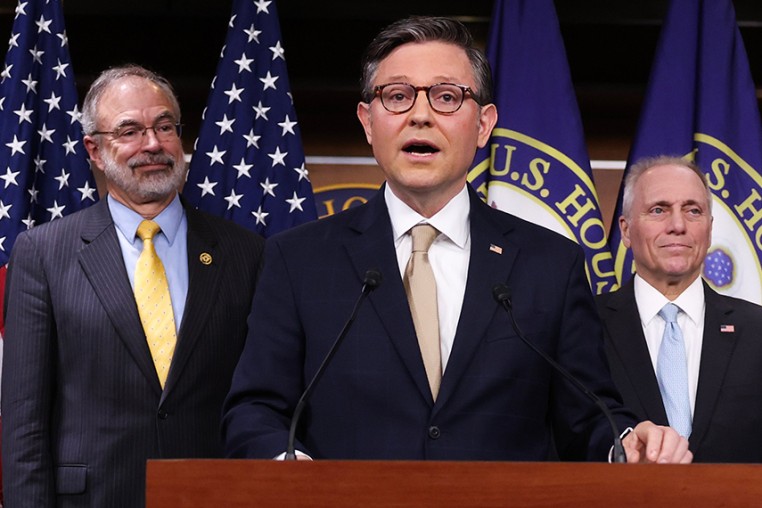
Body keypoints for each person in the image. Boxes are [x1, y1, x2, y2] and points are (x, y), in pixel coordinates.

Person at [222, 17, 690, 464]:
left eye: (446, 97)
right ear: (367, 122)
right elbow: (255, 410)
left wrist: (626, 444)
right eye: (397, 96)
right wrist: (287, 467)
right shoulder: (298, 258)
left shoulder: (550, 264)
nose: (420, 115)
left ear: (484, 124)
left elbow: (589, 416)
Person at [1, 65, 265, 507]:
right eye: (129, 131)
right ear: (95, 151)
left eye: (165, 126)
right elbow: (25, 420)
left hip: (213, 494)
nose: (153, 144)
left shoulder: (245, 252)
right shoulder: (44, 253)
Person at [597, 155, 762, 462]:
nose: (677, 226)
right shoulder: (584, 328)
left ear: (709, 230)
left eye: (693, 211)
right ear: (626, 230)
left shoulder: (758, 330)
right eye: (658, 210)